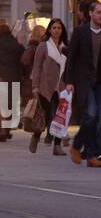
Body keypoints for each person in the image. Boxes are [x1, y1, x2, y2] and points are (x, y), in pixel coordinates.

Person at [62, 0, 101, 165]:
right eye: (99, 12)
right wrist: (69, 81)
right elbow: (71, 58)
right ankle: (83, 149)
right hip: (84, 81)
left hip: (99, 81)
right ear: (91, 13)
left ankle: (86, 151)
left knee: (98, 118)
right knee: (91, 115)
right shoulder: (80, 32)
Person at [29, 17, 68, 155]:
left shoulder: (65, 47)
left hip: (62, 86)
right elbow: (37, 67)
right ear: (50, 30)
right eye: (54, 28)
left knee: (59, 116)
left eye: (59, 28)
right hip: (45, 86)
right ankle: (36, 135)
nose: (57, 31)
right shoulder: (43, 46)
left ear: (62, 30)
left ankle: (57, 146)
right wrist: (35, 86)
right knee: (45, 115)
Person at [0, 18, 23, 141]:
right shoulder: (17, 46)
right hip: (15, 78)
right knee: (11, 105)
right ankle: (8, 129)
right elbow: (24, 59)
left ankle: (2, 132)